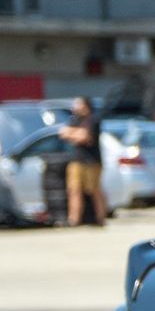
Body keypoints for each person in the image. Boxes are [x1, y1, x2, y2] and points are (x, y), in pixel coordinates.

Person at [58, 97, 105, 228]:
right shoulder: (75, 120)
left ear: (86, 105)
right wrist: (76, 134)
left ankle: (101, 218)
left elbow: (85, 137)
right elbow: (62, 132)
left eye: (78, 104)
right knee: (74, 190)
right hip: (76, 160)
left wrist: (73, 134)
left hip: (91, 161)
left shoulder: (93, 119)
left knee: (94, 190)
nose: (75, 106)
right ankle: (74, 219)